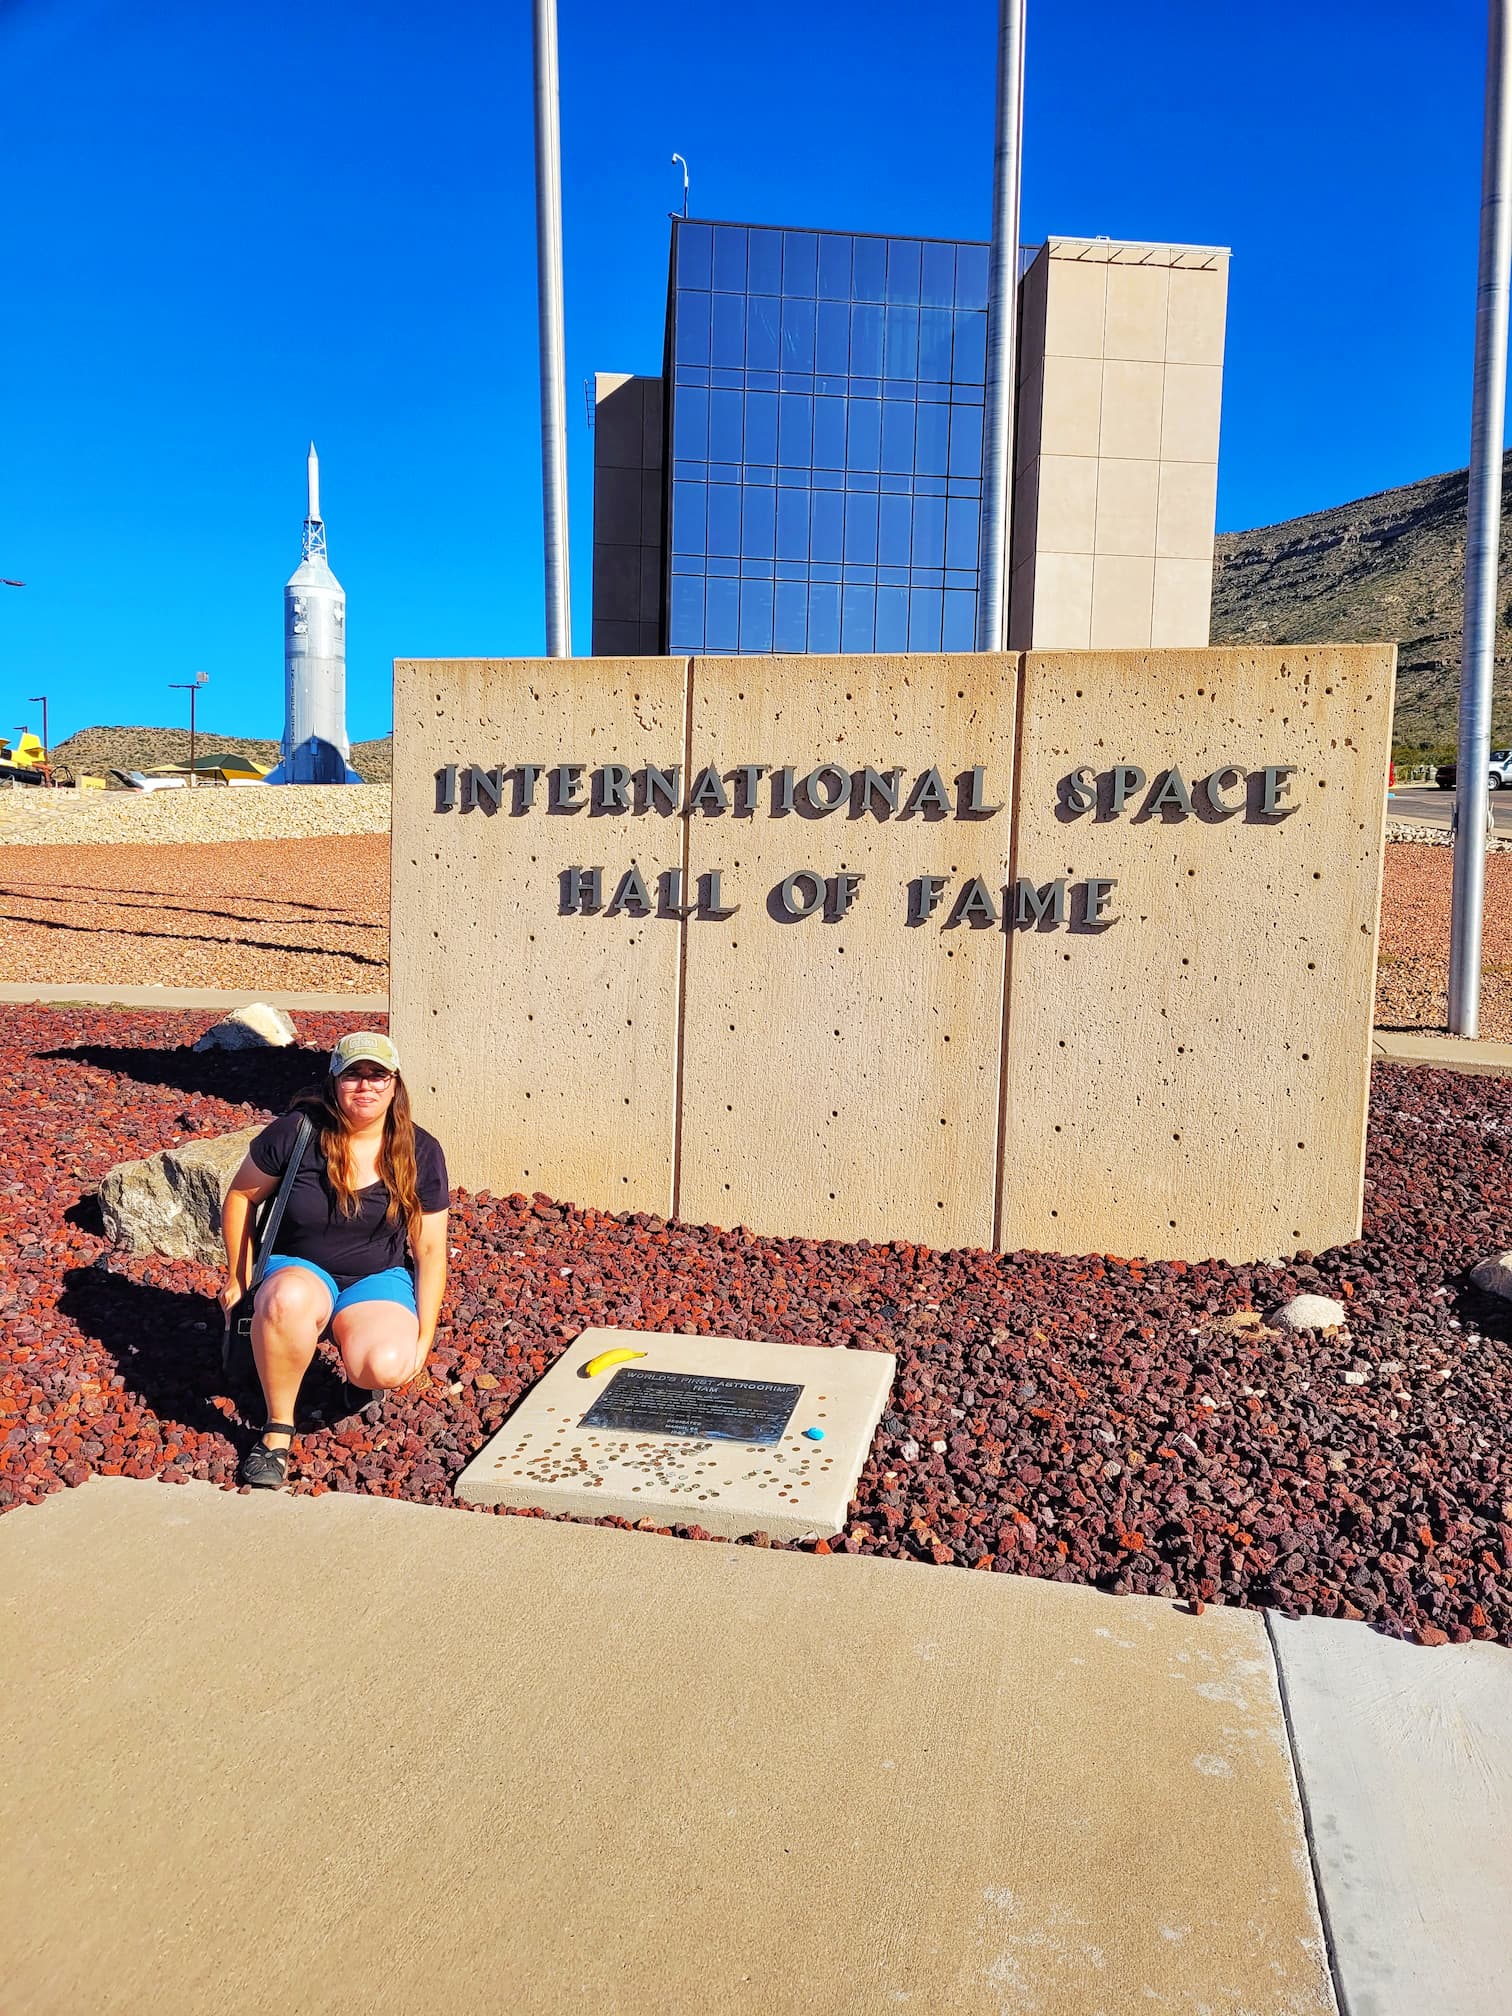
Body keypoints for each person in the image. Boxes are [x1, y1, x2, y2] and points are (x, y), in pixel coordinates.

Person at [220, 1031, 450, 1489]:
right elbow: (241, 1196)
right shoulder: (297, 1132)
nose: (365, 1086)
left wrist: (423, 1339)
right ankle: (277, 1431)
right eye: (353, 1075)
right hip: (300, 1267)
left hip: (376, 1278)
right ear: (334, 1081)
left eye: (377, 1075)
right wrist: (238, 1276)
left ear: (394, 1084)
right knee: (286, 1300)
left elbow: (429, 1250)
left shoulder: (420, 1150)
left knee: (388, 1364)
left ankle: (357, 1379)